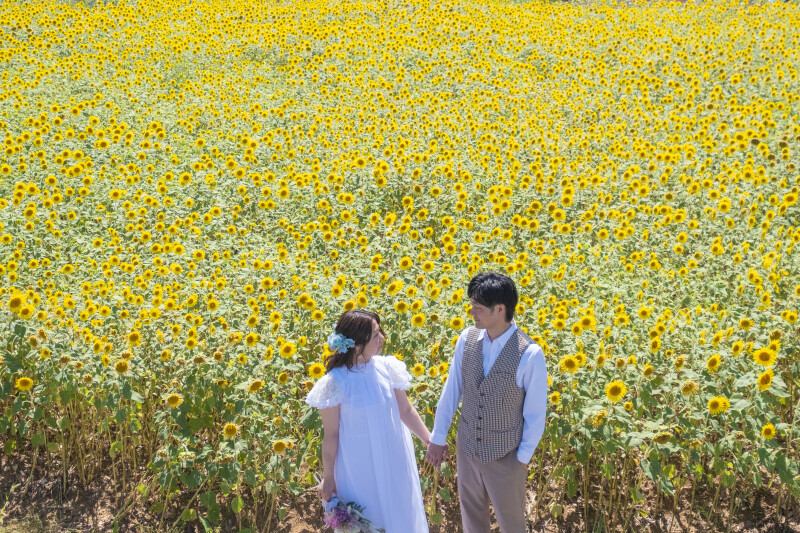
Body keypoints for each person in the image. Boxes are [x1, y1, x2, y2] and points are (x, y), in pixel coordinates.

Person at [426, 272, 548, 533]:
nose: (472, 312)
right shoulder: (466, 339)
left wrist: (522, 459)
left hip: (506, 456)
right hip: (468, 448)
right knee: (472, 519)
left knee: (512, 524)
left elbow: (536, 414)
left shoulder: (530, 353)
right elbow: (452, 390)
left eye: (478, 308)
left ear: (500, 309)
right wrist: (438, 437)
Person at [306, 309, 431, 532]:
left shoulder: (388, 367)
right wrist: (328, 477)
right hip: (358, 467)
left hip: (394, 460)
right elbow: (331, 435)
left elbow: (406, 411)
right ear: (356, 345)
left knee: (399, 515)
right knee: (369, 517)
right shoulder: (336, 382)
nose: (382, 337)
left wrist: (430, 441)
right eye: (375, 334)